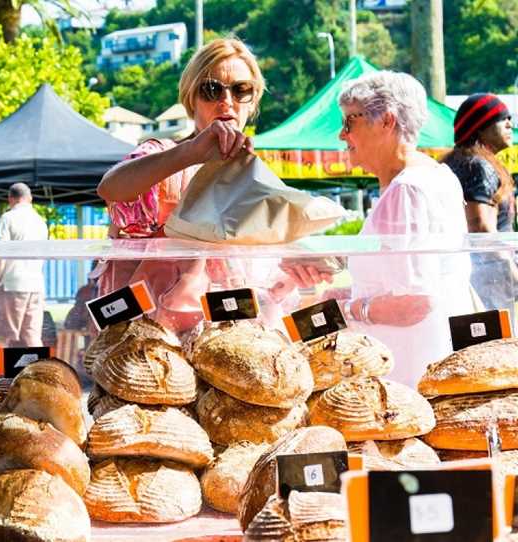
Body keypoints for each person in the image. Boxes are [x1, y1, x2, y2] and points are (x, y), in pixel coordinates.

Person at [283, 71, 473, 386]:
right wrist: (339, 291)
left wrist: (345, 309)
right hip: (428, 361)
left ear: (386, 121)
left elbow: (416, 302)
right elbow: (408, 281)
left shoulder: (407, 190)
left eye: (349, 123)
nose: (341, 135)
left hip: (409, 370)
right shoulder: (436, 176)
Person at [96, 37, 292, 334]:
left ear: (252, 103)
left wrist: (296, 274)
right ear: (191, 99)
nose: (227, 100)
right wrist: (191, 153)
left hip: (227, 338)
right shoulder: (162, 155)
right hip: (150, 340)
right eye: (212, 89)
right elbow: (110, 187)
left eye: (241, 90)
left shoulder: (255, 177)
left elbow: (263, 278)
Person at [441, 94, 516, 312]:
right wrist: (512, 272)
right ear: (480, 127)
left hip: (468, 277)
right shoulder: (478, 165)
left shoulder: (457, 161)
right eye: (503, 119)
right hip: (488, 280)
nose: (510, 124)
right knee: (496, 344)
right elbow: (480, 229)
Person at [0, 183, 49, 348]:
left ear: (10, 199)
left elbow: (1, 253)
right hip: (36, 284)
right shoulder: (40, 221)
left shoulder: (7, 218)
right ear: (30, 198)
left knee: (1, 338)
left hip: (11, 284)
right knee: (32, 337)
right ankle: (44, 373)